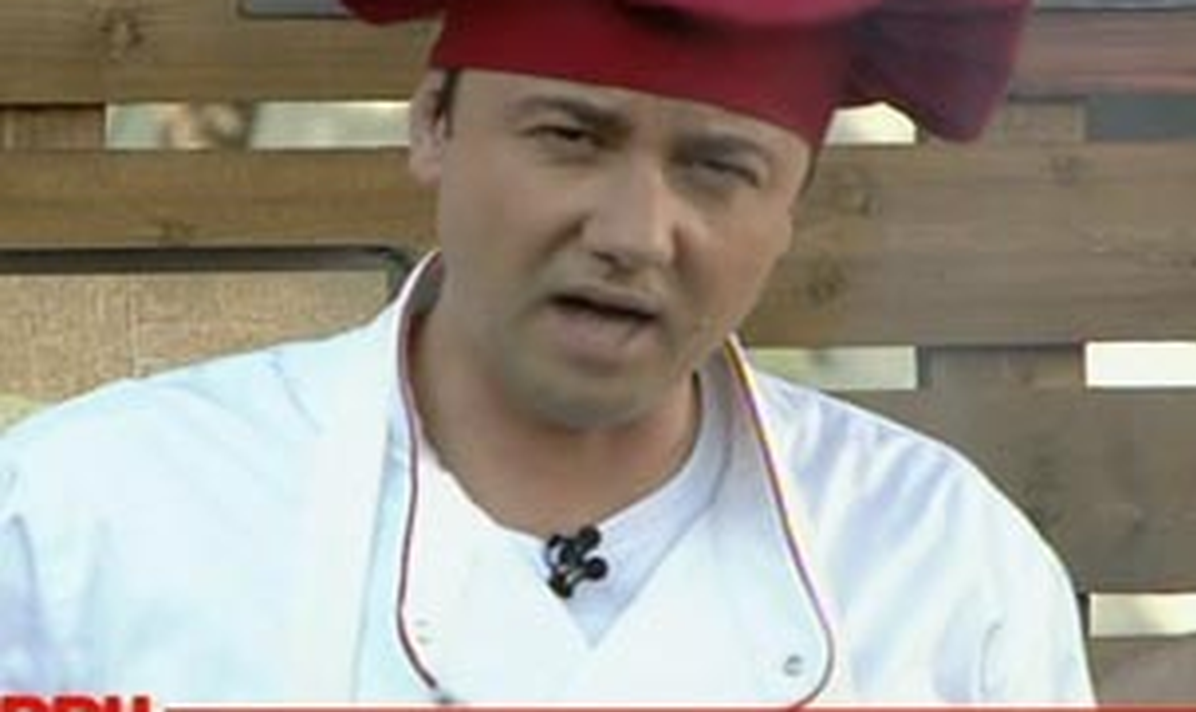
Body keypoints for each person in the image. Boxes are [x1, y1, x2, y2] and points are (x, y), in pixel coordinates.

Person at [0, 0, 1094, 704]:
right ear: (432, 123)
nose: (633, 233)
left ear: (792, 207)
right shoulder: (87, 520)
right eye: (571, 137)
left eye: (720, 168)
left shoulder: (942, 567)